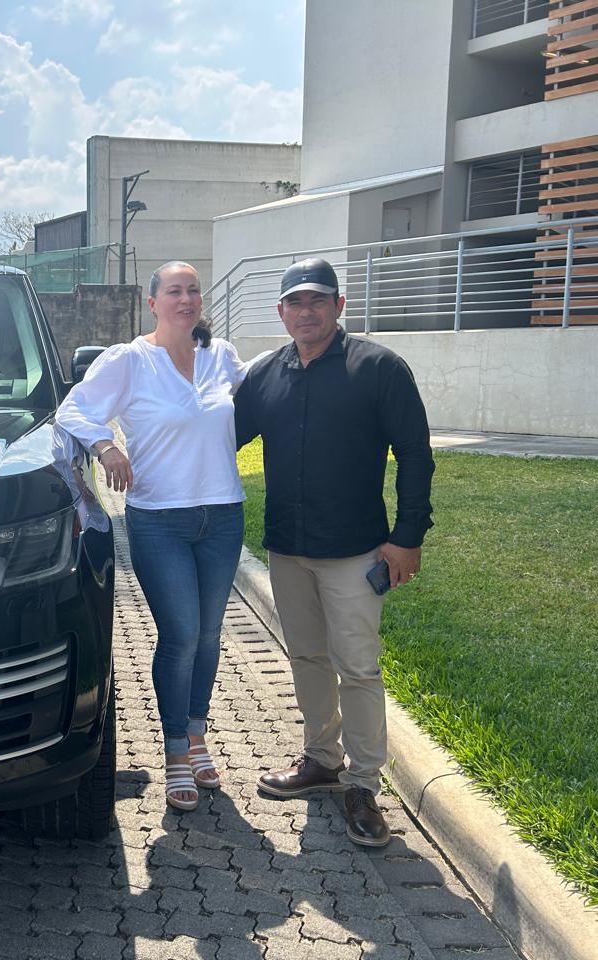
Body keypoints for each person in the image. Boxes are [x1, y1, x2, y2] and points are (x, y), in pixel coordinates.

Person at [233, 257, 435, 847]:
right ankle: (322, 760)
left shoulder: (378, 368)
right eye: (295, 303)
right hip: (288, 548)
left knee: (358, 667)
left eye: (318, 300)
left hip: (355, 551)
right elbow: (219, 438)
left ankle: (364, 785)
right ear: (281, 312)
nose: (306, 312)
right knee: (307, 658)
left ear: (339, 305)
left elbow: (415, 455)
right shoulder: (265, 375)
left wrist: (408, 536)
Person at [56, 261, 247, 812]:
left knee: (209, 634)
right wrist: (105, 446)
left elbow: (265, 391)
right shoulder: (130, 360)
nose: (186, 300)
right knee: (181, 633)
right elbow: (74, 409)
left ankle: (197, 734)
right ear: (153, 302)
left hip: (223, 515)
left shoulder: (221, 355)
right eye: (174, 291)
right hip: (159, 519)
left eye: (193, 291)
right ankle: (174, 749)